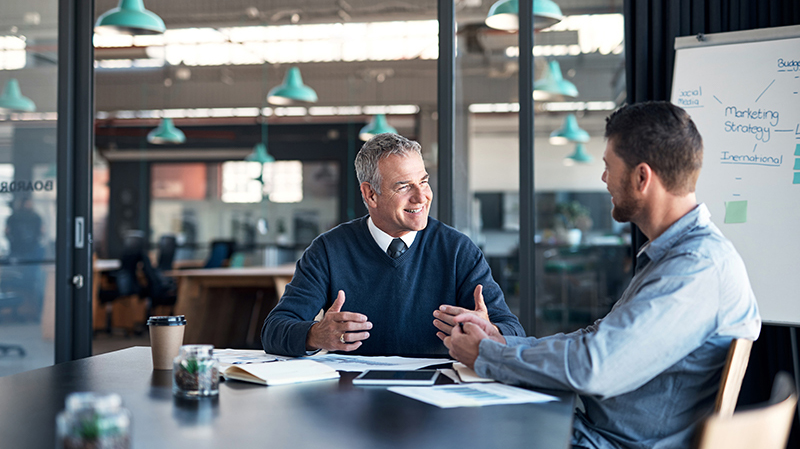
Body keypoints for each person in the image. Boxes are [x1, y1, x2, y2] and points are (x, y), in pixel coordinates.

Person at [442, 101, 761, 449]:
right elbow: (596, 340)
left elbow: (595, 366)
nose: (604, 178)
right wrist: (501, 343)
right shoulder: (675, 257)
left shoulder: (696, 268)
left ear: (642, 177)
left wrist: (487, 355)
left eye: (609, 167)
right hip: (595, 432)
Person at [262, 133, 524, 357]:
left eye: (423, 181)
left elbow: (513, 330)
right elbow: (274, 329)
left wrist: (492, 332)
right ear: (370, 194)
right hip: (352, 398)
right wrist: (314, 335)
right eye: (404, 186)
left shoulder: (457, 250)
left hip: (437, 395)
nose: (421, 196)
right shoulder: (329, 250)